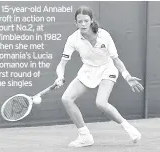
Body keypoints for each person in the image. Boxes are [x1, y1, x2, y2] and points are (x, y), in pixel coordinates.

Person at [55, 6, 144, 148]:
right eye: (80, 21)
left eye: (86, 21)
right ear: (75, 23)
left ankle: (129, 128)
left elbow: (116, 60)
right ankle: (85, 136)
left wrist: (127, 77)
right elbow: (62, 64)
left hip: (107, 69)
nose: (83, 24)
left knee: (101, 103)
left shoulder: (104, 35)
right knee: (66, 99)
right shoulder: (72, 39)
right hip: (88, 70)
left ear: (91, 21)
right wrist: (60, 76)